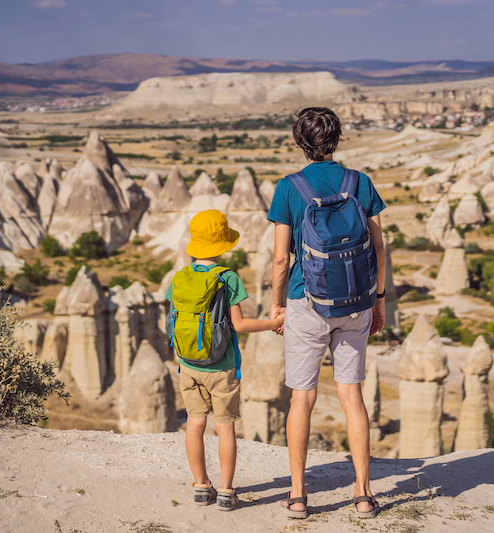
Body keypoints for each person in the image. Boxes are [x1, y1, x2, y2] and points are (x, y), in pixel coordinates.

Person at [267, 107, 387, 519]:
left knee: (303, 398)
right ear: (336, 140)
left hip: (307, 301)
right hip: (356, 302)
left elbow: (281, 260)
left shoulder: (289, 188)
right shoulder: (359, 182)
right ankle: (363, 495)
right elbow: (379, 245)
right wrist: (379, 299)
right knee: (352, 397)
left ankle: (298, 496)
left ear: (301, 143)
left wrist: (278, 304)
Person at [167, 209, 285, 511]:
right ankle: (226, 490)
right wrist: (274, 324)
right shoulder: (228, 278)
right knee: (224, 427)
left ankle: (201, 486)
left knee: (194, 424)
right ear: (223, 245)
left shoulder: (179, 277)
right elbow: (240, 325)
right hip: (222, 366)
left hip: (188, 365)